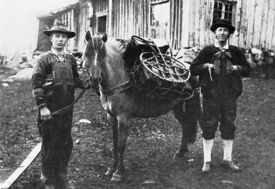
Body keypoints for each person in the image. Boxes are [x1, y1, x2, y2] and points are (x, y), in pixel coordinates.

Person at [32, 21, 89, 189]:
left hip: (67, 110)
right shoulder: (43, 60)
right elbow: (36, 85)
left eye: (63, 36)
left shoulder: (71, 59)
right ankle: (47, 179)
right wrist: (42, 107)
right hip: (49, 110)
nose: (60, 40)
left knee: (65, 142)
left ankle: (62, 177)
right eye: (57, 36)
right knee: (50, 143)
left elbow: (76, 79)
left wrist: (87, 83)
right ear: (50, 38)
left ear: (67, 39)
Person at [190, 19, 251, 173]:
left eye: (225, 30)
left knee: (228, 124)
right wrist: (206, 66)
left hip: (230, 94)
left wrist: (237, 68)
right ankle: (207, 161)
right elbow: (193, 69)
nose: (222, 33)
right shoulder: (207, 51)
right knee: (209, 124)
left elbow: (247, 70)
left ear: (229, 33)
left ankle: (227, 159)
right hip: (211, 94)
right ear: (215, 33)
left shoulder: (236, 51)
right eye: (219, 30)